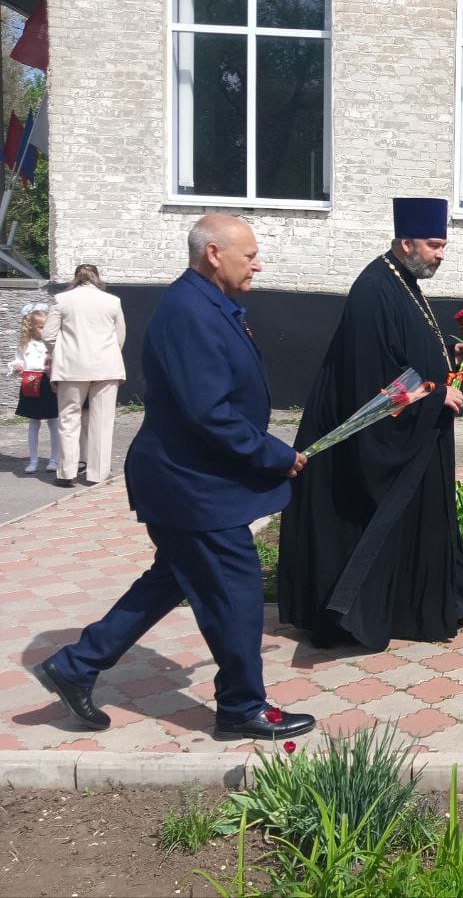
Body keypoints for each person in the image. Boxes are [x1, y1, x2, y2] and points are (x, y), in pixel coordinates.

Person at [35, 214, 314, 740]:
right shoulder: (190, 311)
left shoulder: (207, 302)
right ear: (214, 254)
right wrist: (274, 455)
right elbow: (208, 412)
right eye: (249, 255)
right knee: (237, 593)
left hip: (190, 482)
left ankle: (76, 665)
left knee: (173, 577)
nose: (258, 264)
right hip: (191, 487)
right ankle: (241, 707)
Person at [277, 197, 463, 650]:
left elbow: (405, 349)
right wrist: (436, 395)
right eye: (434, 245)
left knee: (428, 519)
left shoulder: (402, 281)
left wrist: (447, 358)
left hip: (419, 429)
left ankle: (449, 601)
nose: (441, 254)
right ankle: (362, 614)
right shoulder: (373, 289)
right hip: (375, 440)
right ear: (407, 243)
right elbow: (373, 378)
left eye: (443, 245)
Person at [43, 264, 126, 487]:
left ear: (75, 278)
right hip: (106, 366)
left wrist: (59, 355)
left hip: (71, 367)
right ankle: (97, 474)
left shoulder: (62, 300)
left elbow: (48, 336)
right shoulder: (112, 301)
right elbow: (119, 337)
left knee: (68, 418)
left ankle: (66, 473)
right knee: (102, 421)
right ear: (97, 277)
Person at [8, 303, 62, 473]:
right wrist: (16, 366)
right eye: (41, 327)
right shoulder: (25, 344)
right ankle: (33, 460)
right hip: (31, 382)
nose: (44, 330)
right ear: (31, 327)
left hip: (49, 382)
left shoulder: (53, 343)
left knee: (54, 421)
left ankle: (54, 459)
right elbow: (18, 359)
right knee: (33, 422)